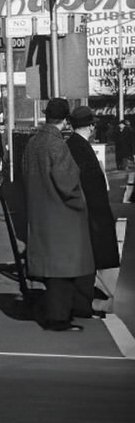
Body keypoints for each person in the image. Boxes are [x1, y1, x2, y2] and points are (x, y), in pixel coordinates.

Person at [21, 97, 95, 332]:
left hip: (40, 211)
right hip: (61, 214)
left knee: (53, 270)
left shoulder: (34, 143)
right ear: (65, 120)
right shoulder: (57, 145)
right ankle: (59, 319)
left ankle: (57, 314)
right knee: (65, 269)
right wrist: (80, 201)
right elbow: (67, 182)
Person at [66, 105, 120, 317]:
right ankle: (96, 300)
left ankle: (98, 298)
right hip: (92, 214)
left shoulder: (72, 145)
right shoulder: (81, 148)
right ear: (90, 126)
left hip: (86, 213)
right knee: (98, 260)